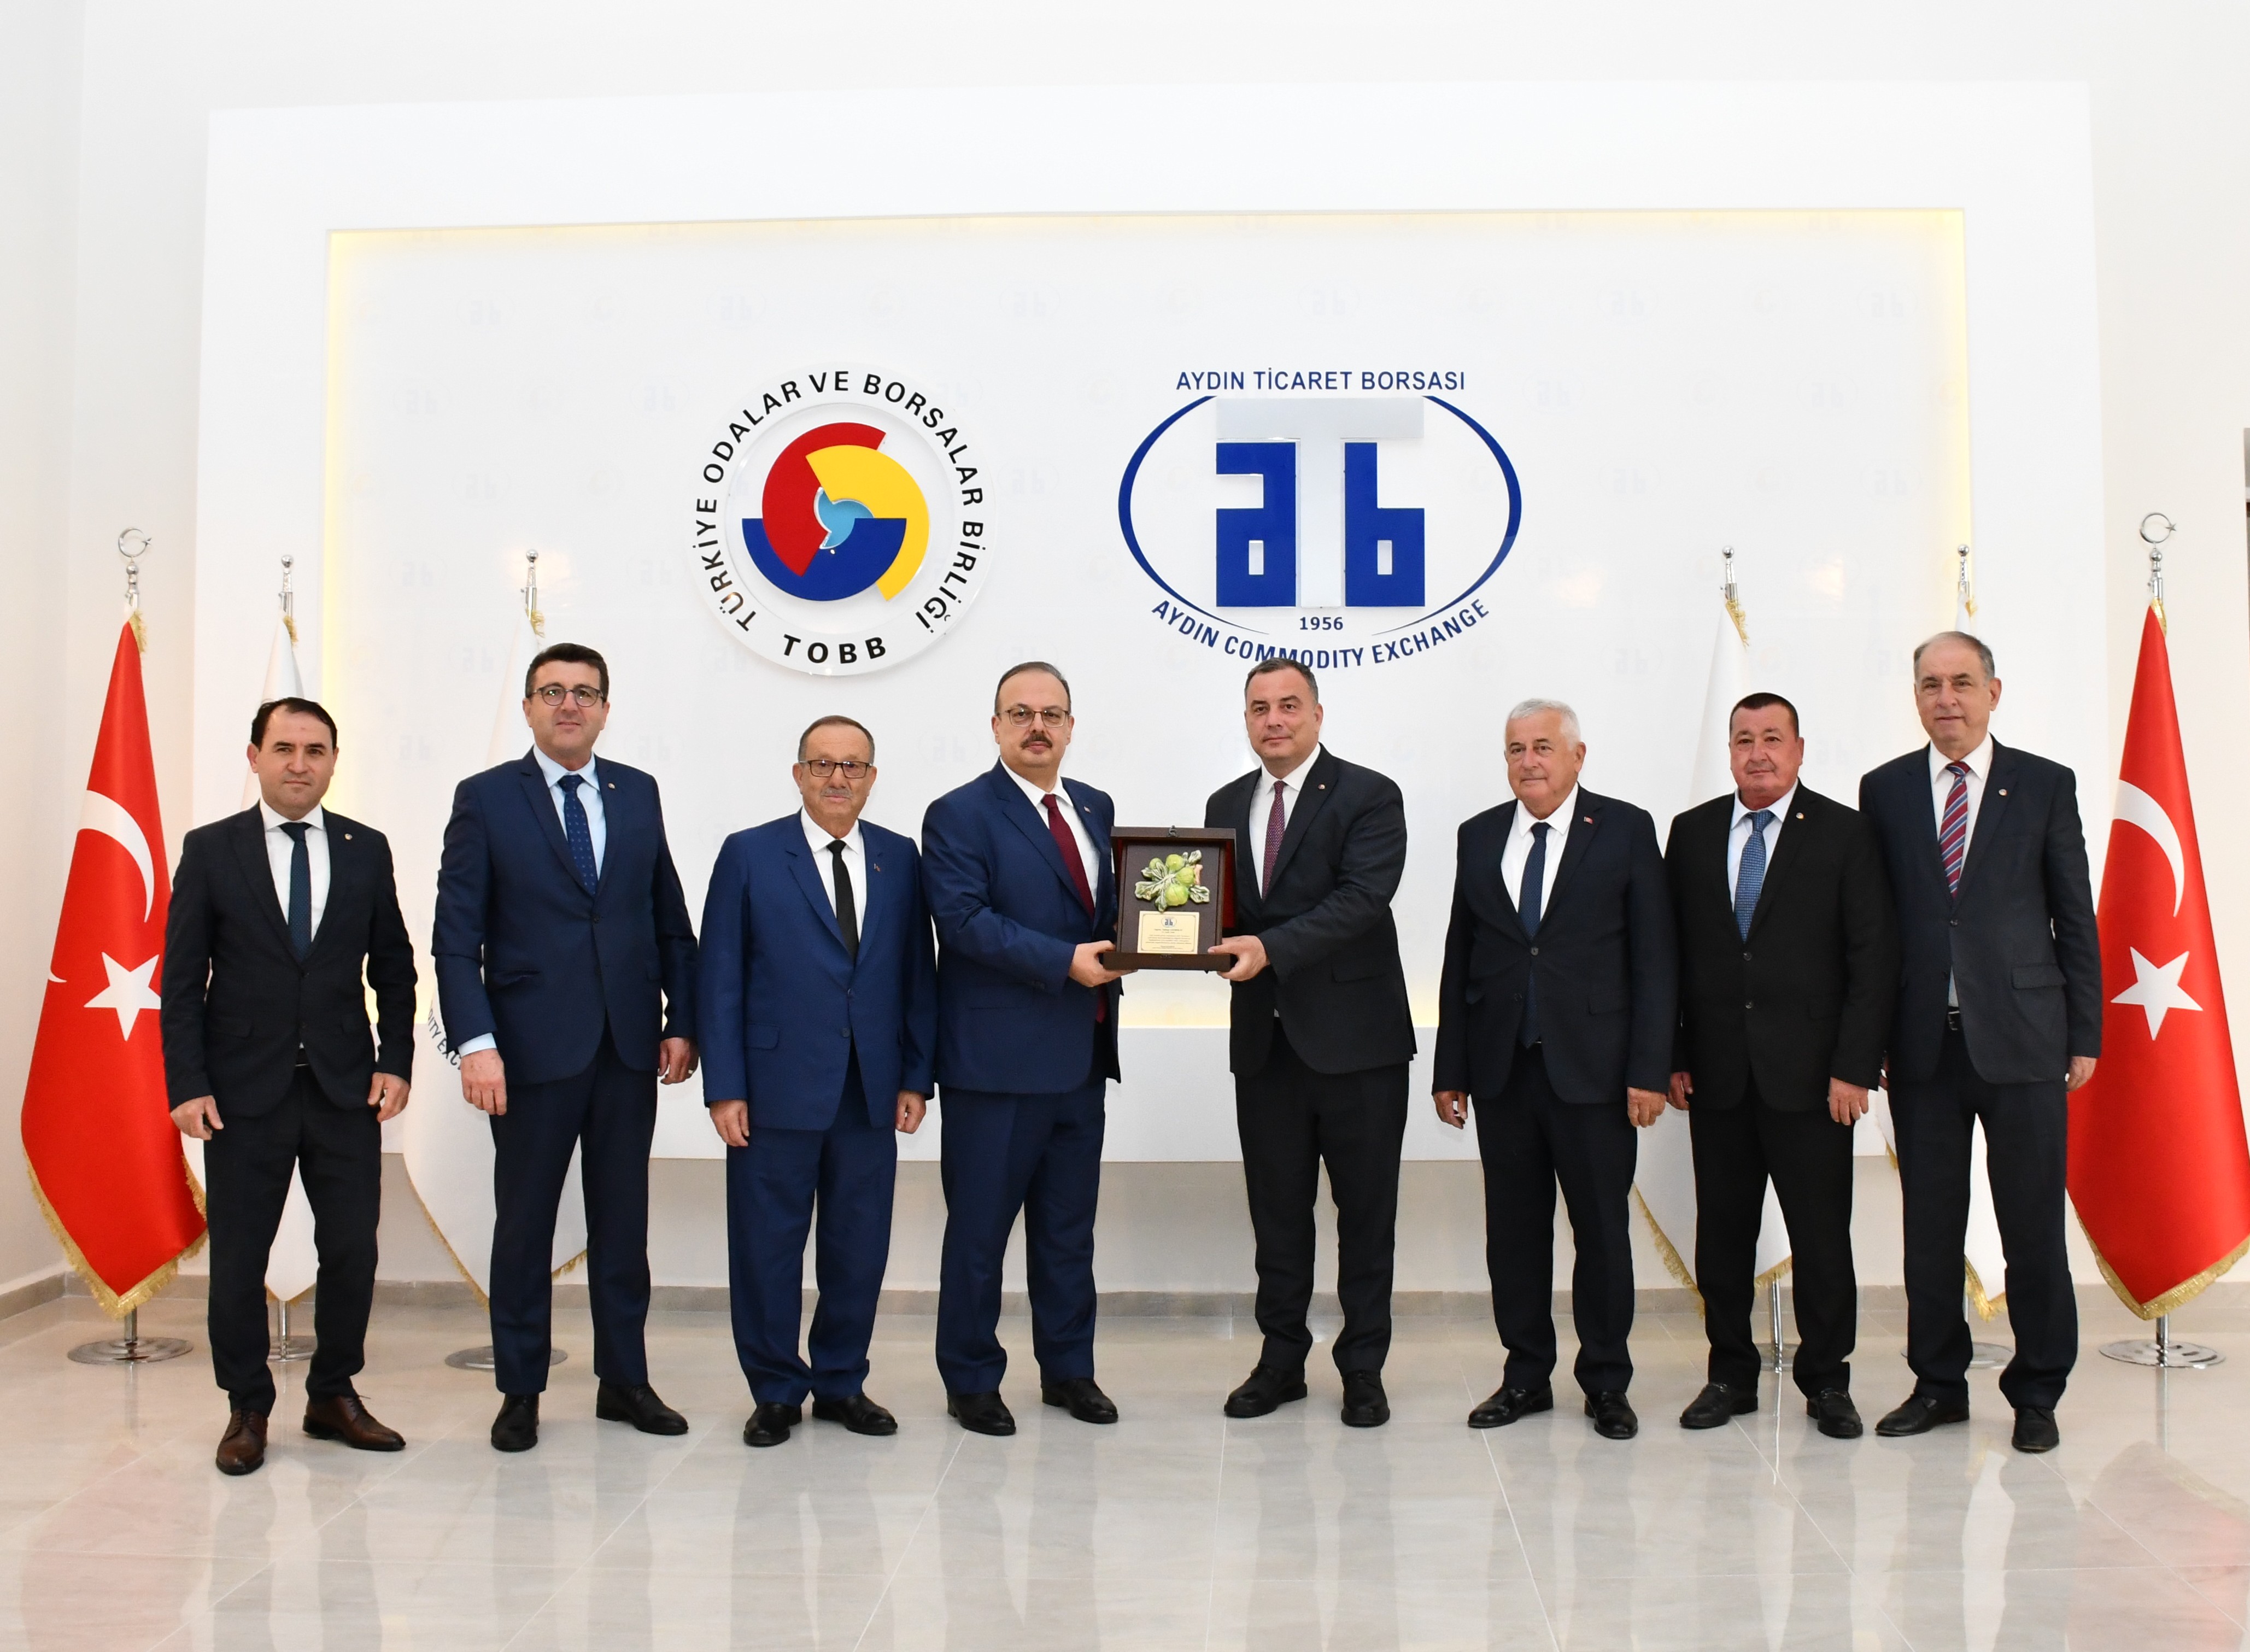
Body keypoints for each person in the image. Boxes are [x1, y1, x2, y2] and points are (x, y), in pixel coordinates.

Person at [433, 642, 700, 1452]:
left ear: (606, 709)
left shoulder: (637, 792)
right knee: (524, 1228)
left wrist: (682, 1019)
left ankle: (625, 1381)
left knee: (624, 1225)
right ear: (528, 708)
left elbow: (668, 919)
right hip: (526, 1056)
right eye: (552, 691)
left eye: (585, 692)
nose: (570, 705)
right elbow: (456, 939)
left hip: (628, 1047)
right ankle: (520, 1388)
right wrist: (475, 1043)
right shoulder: (485, 798)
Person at [161, 697, 416, 1475]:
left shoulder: (366, 849)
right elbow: (181, 980)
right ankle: (247, 1405)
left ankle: (332, 1393)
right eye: (284, 748)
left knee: (352, 1250)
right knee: (240, 1258)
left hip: (345, 1090)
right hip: (242, 1093)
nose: (299, 763)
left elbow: (395, 967)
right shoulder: (212, 850)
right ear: (255, 757)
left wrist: (396, 1060)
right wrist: (187, 1082)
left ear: (334, 761)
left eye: (315, 750)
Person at [1859, 632, 2100, 1454]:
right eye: (1931, 684)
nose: (1947, 699)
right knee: (1930, 1227)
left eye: (1962, 682)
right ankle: (1937, 1384)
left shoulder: (2044, 783)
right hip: (1921, 1046)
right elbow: (1875, 927)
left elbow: (2074, 913)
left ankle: (2037, 1391)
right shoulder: (1886, 789)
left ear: (1994, 692)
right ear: (1916, 696)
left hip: (2026, 1040)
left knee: (2032, 1226)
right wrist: (1871, 1038)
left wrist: (2085, 1031)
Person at [1433, 699, 1675, 1440]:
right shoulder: (1479, 836)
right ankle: (1525, 1375)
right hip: (1503, 1071)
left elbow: (1655, 958)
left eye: (1543, 746)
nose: (1529, 761)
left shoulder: (1625, 829)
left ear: (1577, 756)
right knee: (1513, 1234)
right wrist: (1451, 1068)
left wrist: (1650, 1069)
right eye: (1516, 749)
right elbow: (1461, 955)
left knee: (1600, 1231)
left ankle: (1606, 1381)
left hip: (1596, 1075)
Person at [697, 714, 938, 1448]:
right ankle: (775, 1389)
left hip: (870, 1089)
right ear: (799, 774)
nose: (838, 777)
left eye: (853, 765)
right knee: (766, 1247)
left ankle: (840, 1381)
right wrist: (725, 1085)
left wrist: (916, 1075)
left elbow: (917, 974)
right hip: (772, 1089)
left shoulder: (899, 857)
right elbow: (720, 976)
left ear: (872, 777)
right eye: (823, 764)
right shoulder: (749, 853)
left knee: (857, 1246)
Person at [1664, 693, 1897, 1439]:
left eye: (1772, 738)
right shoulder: (1692, 832)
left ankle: (1827, 1381)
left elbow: (1872, 958)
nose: (1758, 752)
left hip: (1816, 1081)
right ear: (1730, 752)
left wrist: (1854, 1067)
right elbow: (1671, 955)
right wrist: (1673, 1054)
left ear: (1799, 750)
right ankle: (1729, 1375)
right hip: (1717, 1077)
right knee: (1722, 1239)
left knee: (1822, 1240)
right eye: (1744, 739)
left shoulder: (1845, 832)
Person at [1201, 659, 1414, 1427]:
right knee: (1278, 1215)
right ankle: (1281, 1360)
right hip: (1266, 1048)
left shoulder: (1369, 795)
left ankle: (1363, 1367)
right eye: (1260, 707)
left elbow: (1362, 899)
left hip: (1360, 1047)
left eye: (1289, 705)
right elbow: (1214, 907)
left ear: (1317, 715)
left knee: (1366, 1216)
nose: (1275, 719)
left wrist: (1268, 949)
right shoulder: (1225, 803)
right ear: (1247, 720)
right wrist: (1179, 935)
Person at [919, 661, 1126, 1436]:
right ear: (997, 725)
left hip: (1081, 1059)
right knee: (980, 1234)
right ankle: (971, 1378)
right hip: (996, 1065)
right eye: (1021, 714)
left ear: (1070, 726)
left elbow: (1110, 914)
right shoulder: (959, 814)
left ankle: (1069, 1370)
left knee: (1069, 1232)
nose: (1038, 727)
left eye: (1052, 714)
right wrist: (1063, 961)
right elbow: (963, 922)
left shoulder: (1096, 807)